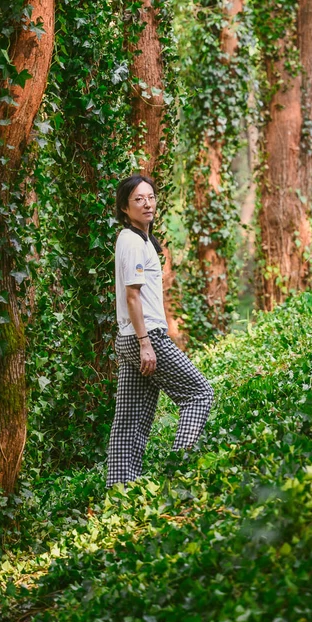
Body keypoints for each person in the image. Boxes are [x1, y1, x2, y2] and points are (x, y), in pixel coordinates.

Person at [106, 173, 214, 489]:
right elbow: (132, 296)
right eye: (138, 199)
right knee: (199, 394)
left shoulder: (139, 240)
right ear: (124, 207)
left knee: (129, 422)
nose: (147, 203)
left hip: (128, 338)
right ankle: (177, 474)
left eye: (151, 197)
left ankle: (120, 492)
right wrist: (145, 343)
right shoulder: (131, 241)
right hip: (145, 337)